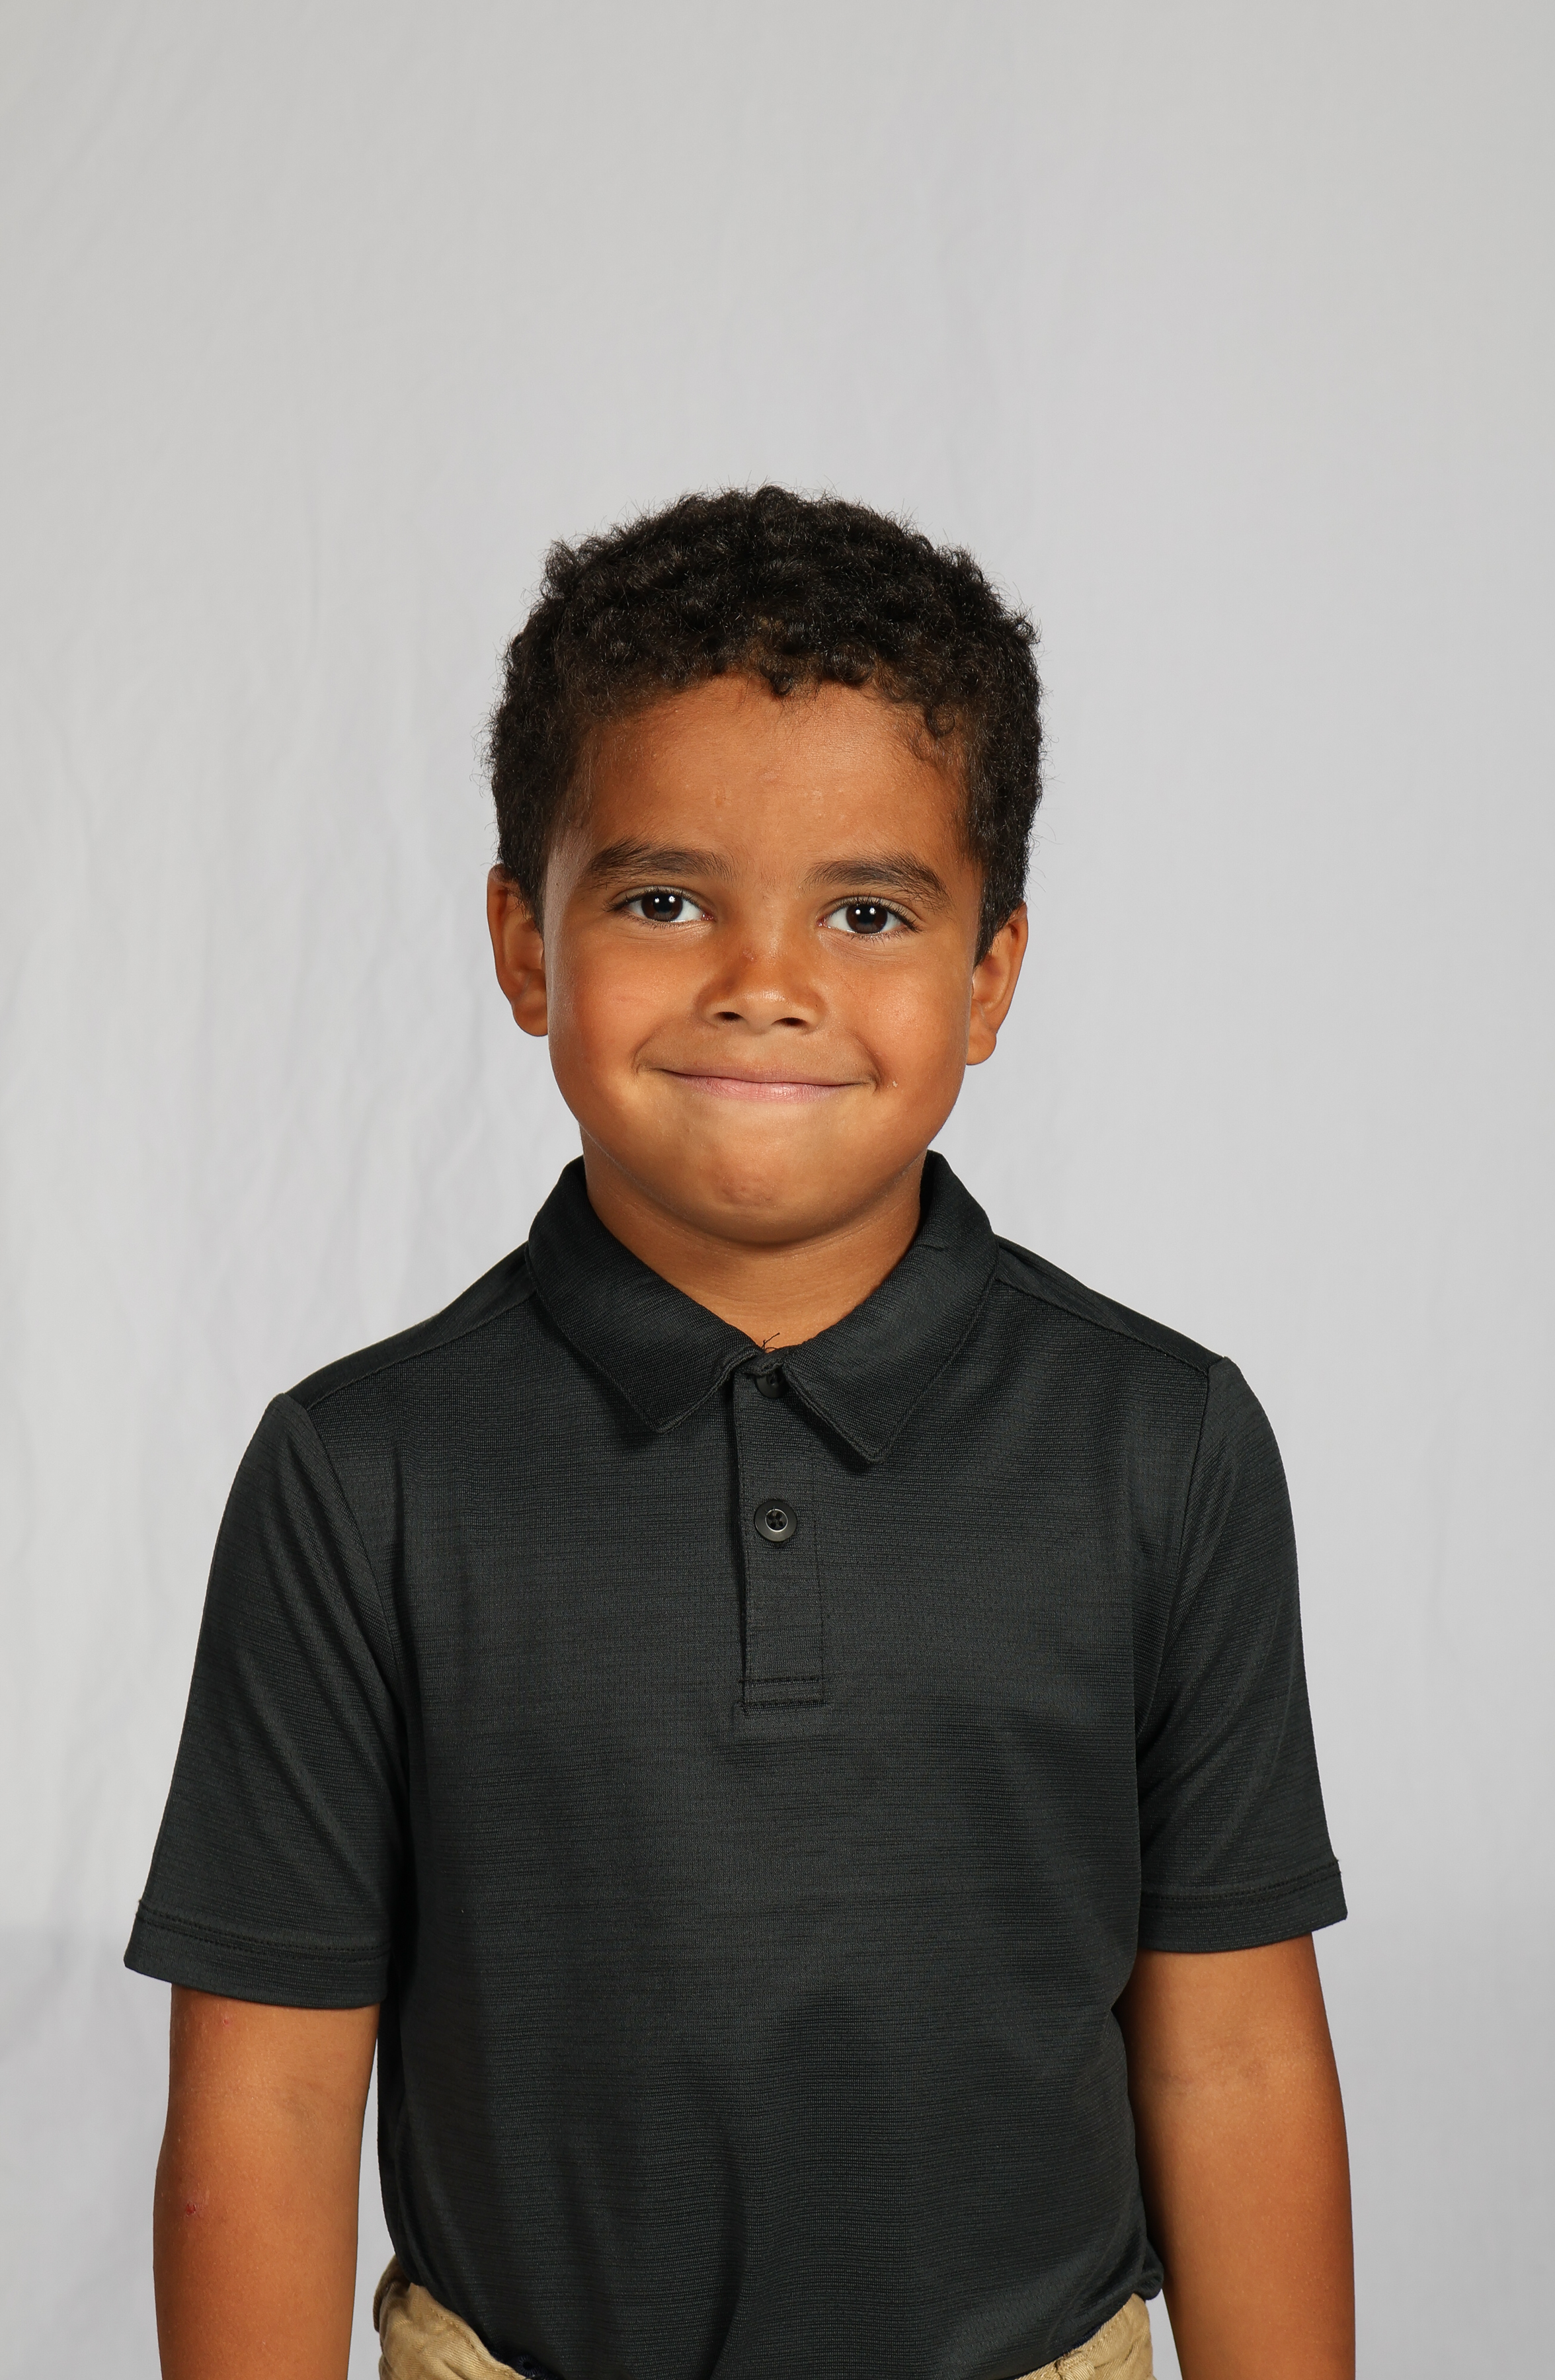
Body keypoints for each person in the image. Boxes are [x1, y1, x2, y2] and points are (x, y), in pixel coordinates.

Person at [128, 487, 1352, 2380]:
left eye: (868, 912)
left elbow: (1238, 2054)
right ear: (526, 947)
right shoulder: (360, 1473)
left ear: (989, 976)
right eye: (663, 900)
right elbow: (269, 2098)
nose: (764, 981)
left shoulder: (1162, 1444)